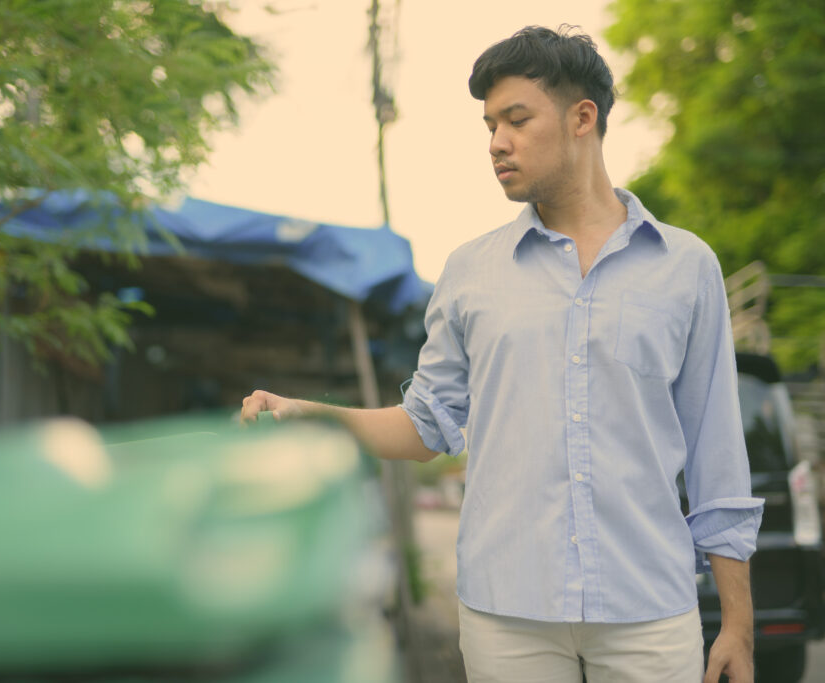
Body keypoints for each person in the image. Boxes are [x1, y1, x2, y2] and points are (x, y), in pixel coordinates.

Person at [240, 25, 762, 683]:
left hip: (648, 611)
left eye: (517, 119)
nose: (496, 143)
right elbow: (426, 427)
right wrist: (302, 412)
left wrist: (738, 625)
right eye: (489, 125)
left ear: (582, 118)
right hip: (506, 615)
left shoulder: (687, 267)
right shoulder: (470, 272)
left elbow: (718, 457)